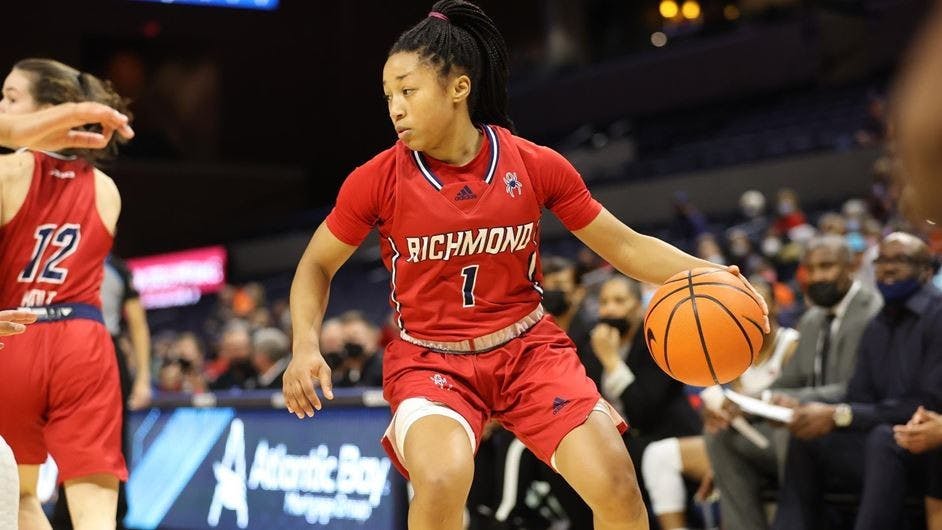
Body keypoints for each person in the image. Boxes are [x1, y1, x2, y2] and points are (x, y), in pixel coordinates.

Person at [281, 3, 768, 529]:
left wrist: (709, 272)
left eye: (408, 90)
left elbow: (624, 248)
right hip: (431, 359)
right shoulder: (376, 179)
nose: (395, 108)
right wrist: (304, 345)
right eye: (389, 96)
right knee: (443, 480)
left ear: (458, 88)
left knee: (617, 484)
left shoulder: (533, 164)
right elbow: (315, 265)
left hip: (527, 350)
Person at [0, 58, 131, 530]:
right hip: (84, 340)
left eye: (12, 99)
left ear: (52, 111)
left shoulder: (9, 171)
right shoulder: (107, 188)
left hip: (14, 331)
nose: (3, 110)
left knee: (19, 496)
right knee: (96, 513)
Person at [703, 235, 882, 530]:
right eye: (810, 269)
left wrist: (774, 401)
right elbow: (786, 383)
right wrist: (736, 406)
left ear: (851, 266)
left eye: (826, 266)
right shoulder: (812, 319)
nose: (816, 277)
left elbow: (851, 388)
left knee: (793, 429)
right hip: (810, 433)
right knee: (719, 434)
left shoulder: (870, 311)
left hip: (851, 432)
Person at [771, 232, 942, 530]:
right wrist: (809, 409)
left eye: (900, 260)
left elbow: (924, 405)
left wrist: (839, 415)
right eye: (882, 260)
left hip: (928, 447)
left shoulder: (937, 316)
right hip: (883, 444)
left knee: (883, 439)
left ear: (926, 270)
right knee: (807, 439)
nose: (887, 268)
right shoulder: (878, 324)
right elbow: (858, 395)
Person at [585, 275, 704, 530]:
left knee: (611, 466)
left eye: (619, 300)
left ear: (639, 307)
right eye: (604, 301)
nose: (610, 308)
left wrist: (612, 362)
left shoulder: (659, 344)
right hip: (626, 442)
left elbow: (642, 412)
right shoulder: (592, 345)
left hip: (667, 435)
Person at [51, 253, 151, 530]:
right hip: (61, 349)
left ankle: (114, 516)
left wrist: (143, 377)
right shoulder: (58, 253)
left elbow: (138, 325)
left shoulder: (116, 267)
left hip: (106, 349)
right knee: (64, 437)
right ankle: (65, 511)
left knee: (113, 441)